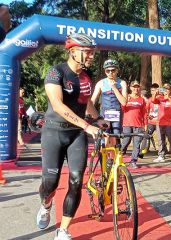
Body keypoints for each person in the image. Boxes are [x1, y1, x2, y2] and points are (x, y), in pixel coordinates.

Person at [37, 33, 107, 240]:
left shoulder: (86, 76)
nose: (91, 56)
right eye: (87, 52)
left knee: (76, 181)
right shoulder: (56, 72)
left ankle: (64, 230)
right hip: (54, 132)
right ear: (73, 51)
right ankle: (46, 204)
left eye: (93, 52)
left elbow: (86, 101)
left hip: (76, 135)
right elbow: (58, 106)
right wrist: (87, 125)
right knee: (50, 182)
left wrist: (98, 118)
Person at [91, 59, 127, 143]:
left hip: (116, 113)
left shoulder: (122, 83)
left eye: (113, 70)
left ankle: (113, 155)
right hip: (104, 113)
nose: (110, 73)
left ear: (117, 70)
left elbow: (124, 102)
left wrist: (114, 88)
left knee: (115, 136)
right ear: (105, 71)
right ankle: (102, 154)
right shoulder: (101, 83)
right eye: (108, 70)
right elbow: (93, 100)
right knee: (104, 136)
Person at [121, 81, 147, 169]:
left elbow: (144, 113)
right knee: (125, 142)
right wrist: (126, 101)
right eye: (134, 87)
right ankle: (119, 157)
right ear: (131, 88)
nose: (136, 89)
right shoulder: (126, 97)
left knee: (136, 144)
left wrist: (145, 124)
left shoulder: (141, 99)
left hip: (138, 125)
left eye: (137, 87)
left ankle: (133, 161)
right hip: (127, 124)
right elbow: (123, 109)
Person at [152, 83, 171, 163]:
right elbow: (153, 101)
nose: (166, 90)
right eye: (164, 89)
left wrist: (168, 98)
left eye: (167, 89)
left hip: (170, 123)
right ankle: (161, 155)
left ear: (170, 90)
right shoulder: (160, 97)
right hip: (160, 122)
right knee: (161, 140)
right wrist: (155, 94)